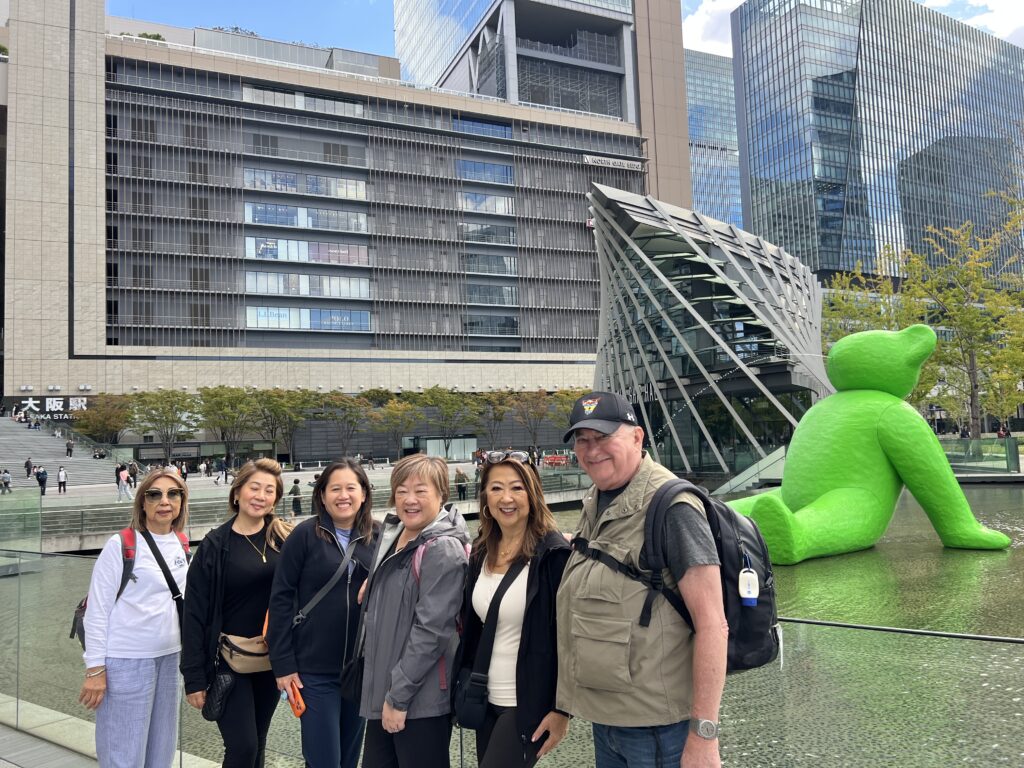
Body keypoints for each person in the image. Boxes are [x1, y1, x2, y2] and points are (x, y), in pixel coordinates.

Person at [556, 392, 727, 768]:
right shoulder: (598, 499)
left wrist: (703, 735)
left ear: (637, 437)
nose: (591, 450)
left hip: (660, 730)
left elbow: (713, 623)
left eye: (603, 437)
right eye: (582, 440)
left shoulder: (673, 508)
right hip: (608, 717)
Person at [455, 453, 571, 768]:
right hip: (483, 697)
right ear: (485, 499)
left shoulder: (553, 555)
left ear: (532, 495)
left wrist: (562, 710)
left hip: (526, 703)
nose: (506, 498)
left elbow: (569, 638)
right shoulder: (481, 551)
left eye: (517, 488)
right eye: (496, 489)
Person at [359, 454, 469, 768]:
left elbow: (432, 632)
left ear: (441, 494)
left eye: (421, 491)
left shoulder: (441, 549)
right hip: (387, 692)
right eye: (401, 490)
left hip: (418, 699)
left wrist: (398, 696)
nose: (409, 499)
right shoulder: (395, 535)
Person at [267, 459, 378, 768]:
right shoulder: (304, 536)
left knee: (348, 758)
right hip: (312, 672)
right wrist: (283, 665)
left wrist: (377, 579)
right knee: (323, 759)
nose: (343, 496)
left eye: (351, 488)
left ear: (364, 494)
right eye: (335, 489)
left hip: (359, 669)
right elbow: (280, 600)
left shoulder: (379, 536)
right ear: (323, 495)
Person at [182, 458, 291, 768]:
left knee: (257, 746)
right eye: (254, 487)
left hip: (270, 659)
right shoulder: (215, 545)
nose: (261, 496)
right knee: (242, 747)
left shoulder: (284, 538)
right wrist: (193, 677)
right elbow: (194, 613)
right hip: (227, 661)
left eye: (269, 490)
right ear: (237, 493)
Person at [78, 469, 191, 767]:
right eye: (155, 494)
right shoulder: (122, 545)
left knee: (161, 750)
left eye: (173, 494)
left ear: (181, 500)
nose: (164, 501)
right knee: (123, 752)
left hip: (170, 658)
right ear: (142, 502)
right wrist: (95, 671)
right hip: (126, 661)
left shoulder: (182, 543)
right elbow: (97, 612)